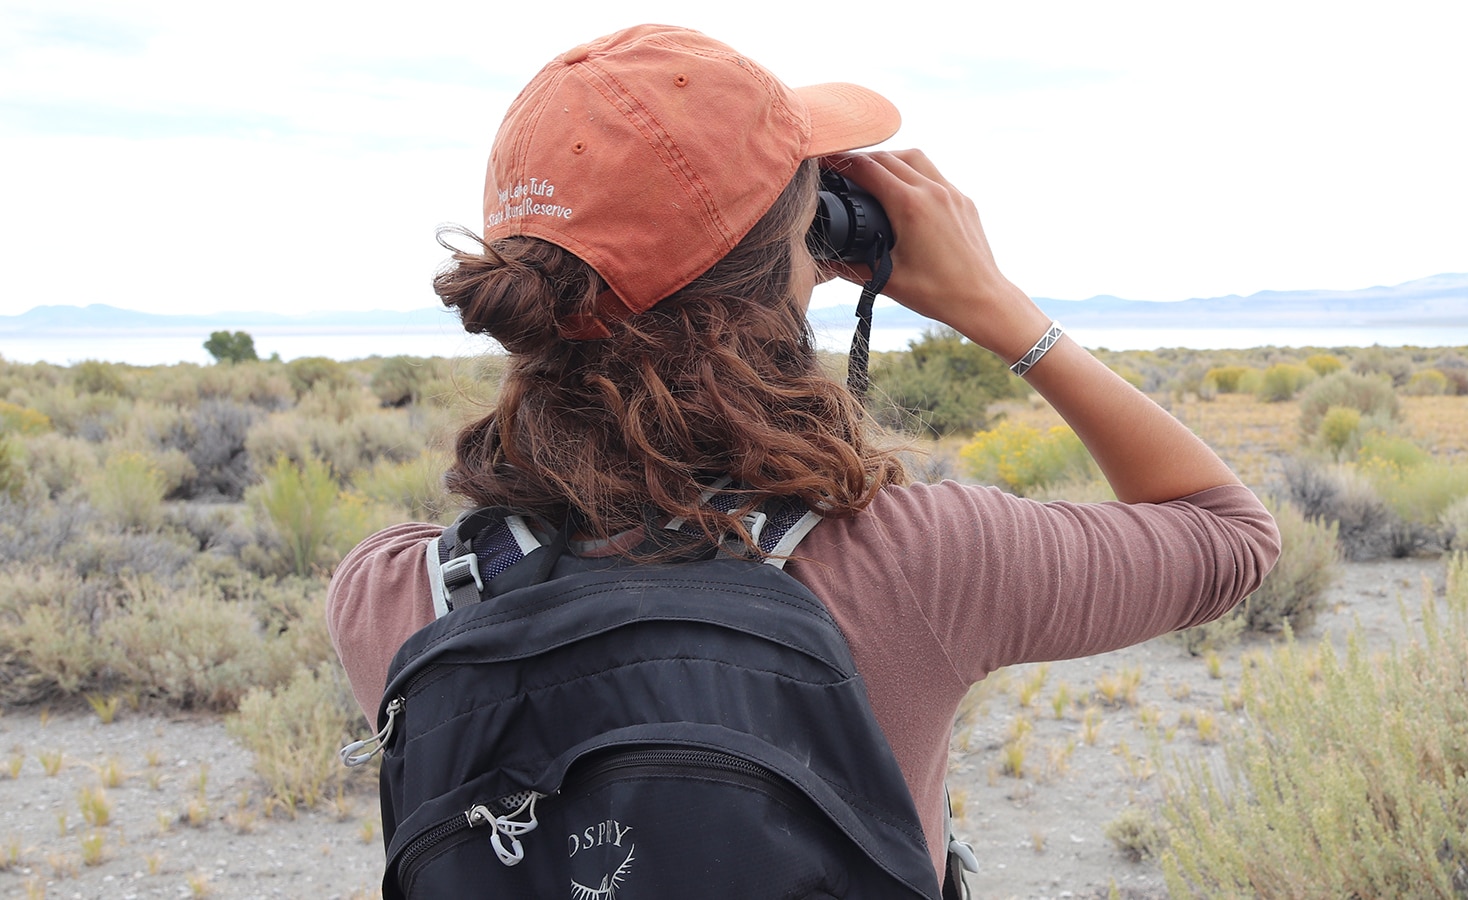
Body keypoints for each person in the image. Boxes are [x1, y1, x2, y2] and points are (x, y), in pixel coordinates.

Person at [325, 24, 1280, 887]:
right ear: (803, 260)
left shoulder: (398, 598)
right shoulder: (916, 561)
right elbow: (1229, 533)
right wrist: (995, 305)